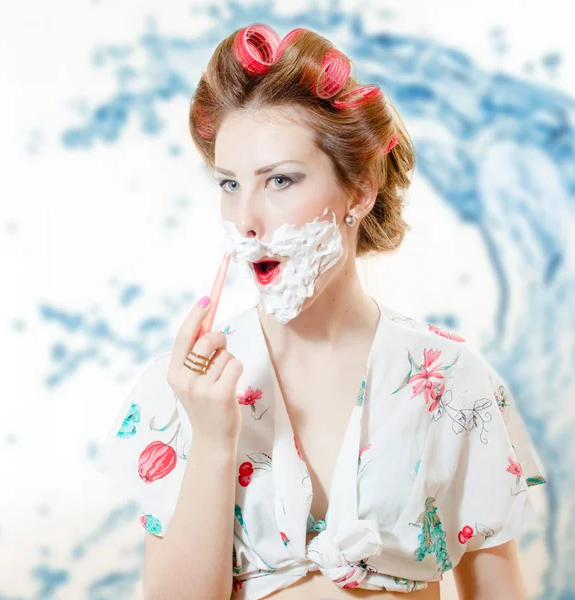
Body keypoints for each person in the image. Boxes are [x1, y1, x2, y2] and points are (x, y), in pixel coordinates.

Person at [93, 24, 548, 600]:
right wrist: (211, 437)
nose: (247, 218)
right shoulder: (183, 387)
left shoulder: (451, 380)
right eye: (229, 184)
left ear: (358, 192)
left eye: (280, 180)